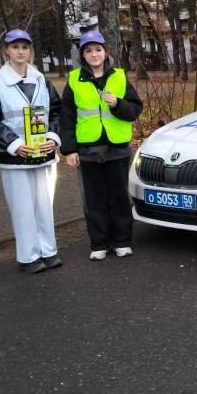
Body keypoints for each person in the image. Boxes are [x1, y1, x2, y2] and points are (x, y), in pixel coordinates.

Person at [0, 29, 63, 274]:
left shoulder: (41, 80)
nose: (20, 51)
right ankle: (28, 256)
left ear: (30, 50)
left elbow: (56, 112)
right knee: (22, 208)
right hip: (15, 157)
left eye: (24, 47)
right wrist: (14, 144)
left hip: (45, 155)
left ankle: (48, 251)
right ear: (6, 50)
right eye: (15, 47)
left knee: (45, 205)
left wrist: (53, 137)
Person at [59, 31, 143, 260]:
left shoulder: (119, 77)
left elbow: (134, 110)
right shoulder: (74, 80)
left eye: (98, 49)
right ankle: (99, 244)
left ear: (106, 52)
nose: (94, 54)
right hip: (88, 151)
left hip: (117, 149)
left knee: (119, 197)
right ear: (82, 55)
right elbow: (66, 117)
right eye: (88, 50)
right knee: (94, 199)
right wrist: (69, 149)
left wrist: (117, 104)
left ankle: (122, 241)